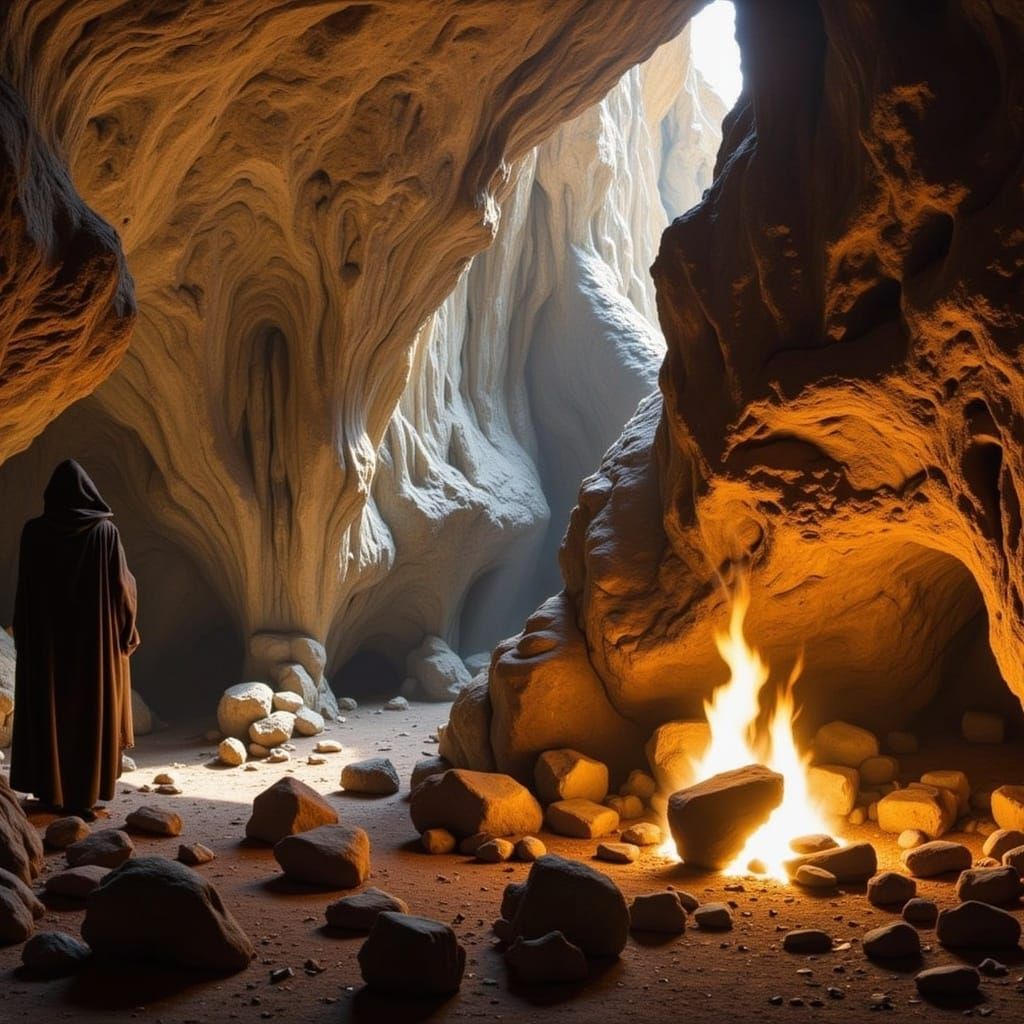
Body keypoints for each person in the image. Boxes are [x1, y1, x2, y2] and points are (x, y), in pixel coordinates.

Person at [10, 460, 140, 820]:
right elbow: (122, 588)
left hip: (48, 646)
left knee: (50, 711)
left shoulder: (33, 532)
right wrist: (128, 630)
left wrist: (24, 634)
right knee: (91, 711)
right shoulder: (105, 533)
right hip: (93, 646)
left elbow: (25, 590)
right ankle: (85, 795)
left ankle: (51, 791)